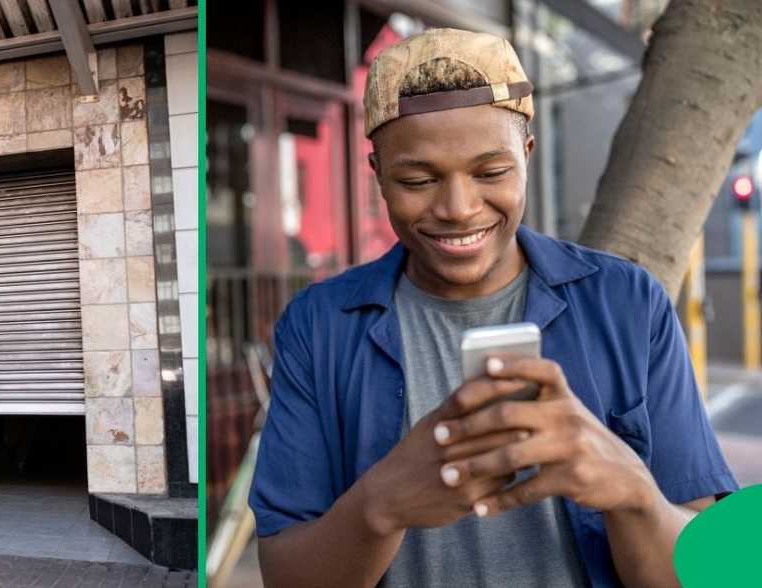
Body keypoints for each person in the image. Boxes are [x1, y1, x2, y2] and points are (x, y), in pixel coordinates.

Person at [248, 28, 737, 588]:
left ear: (527, 156)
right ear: (378, 173)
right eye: (417, 179)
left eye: (491, 173)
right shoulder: (318, 327)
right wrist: (381, 505)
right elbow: (285, 575)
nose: (459, 208)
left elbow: (705, 568)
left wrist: (632, 493)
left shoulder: (628, 303)